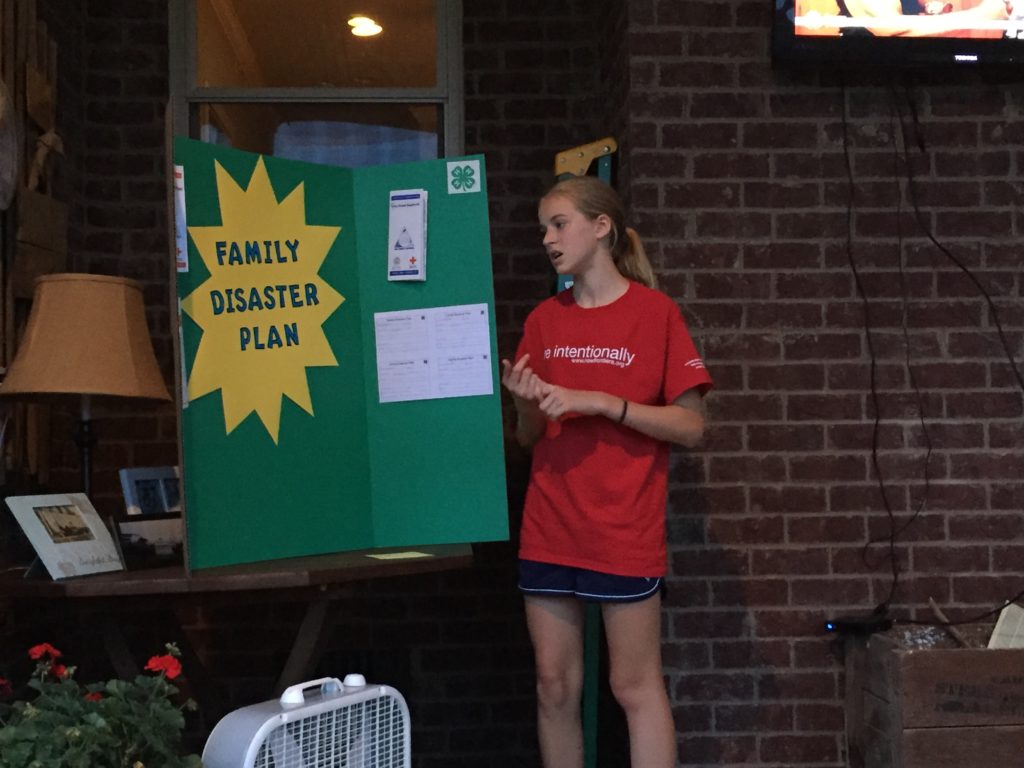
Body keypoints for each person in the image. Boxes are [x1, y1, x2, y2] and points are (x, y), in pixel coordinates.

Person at [501, 175, 713, 768]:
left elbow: (693, 427)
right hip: (550, 525)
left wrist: (602, 403)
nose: (547, 238)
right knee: (554, 686)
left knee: (633, 687)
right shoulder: (544, 320)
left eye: (558, 223)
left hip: (624, 530)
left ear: (602, 228)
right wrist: (523, 403)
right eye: (543, 227)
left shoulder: (655, 314)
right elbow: (528, 437)